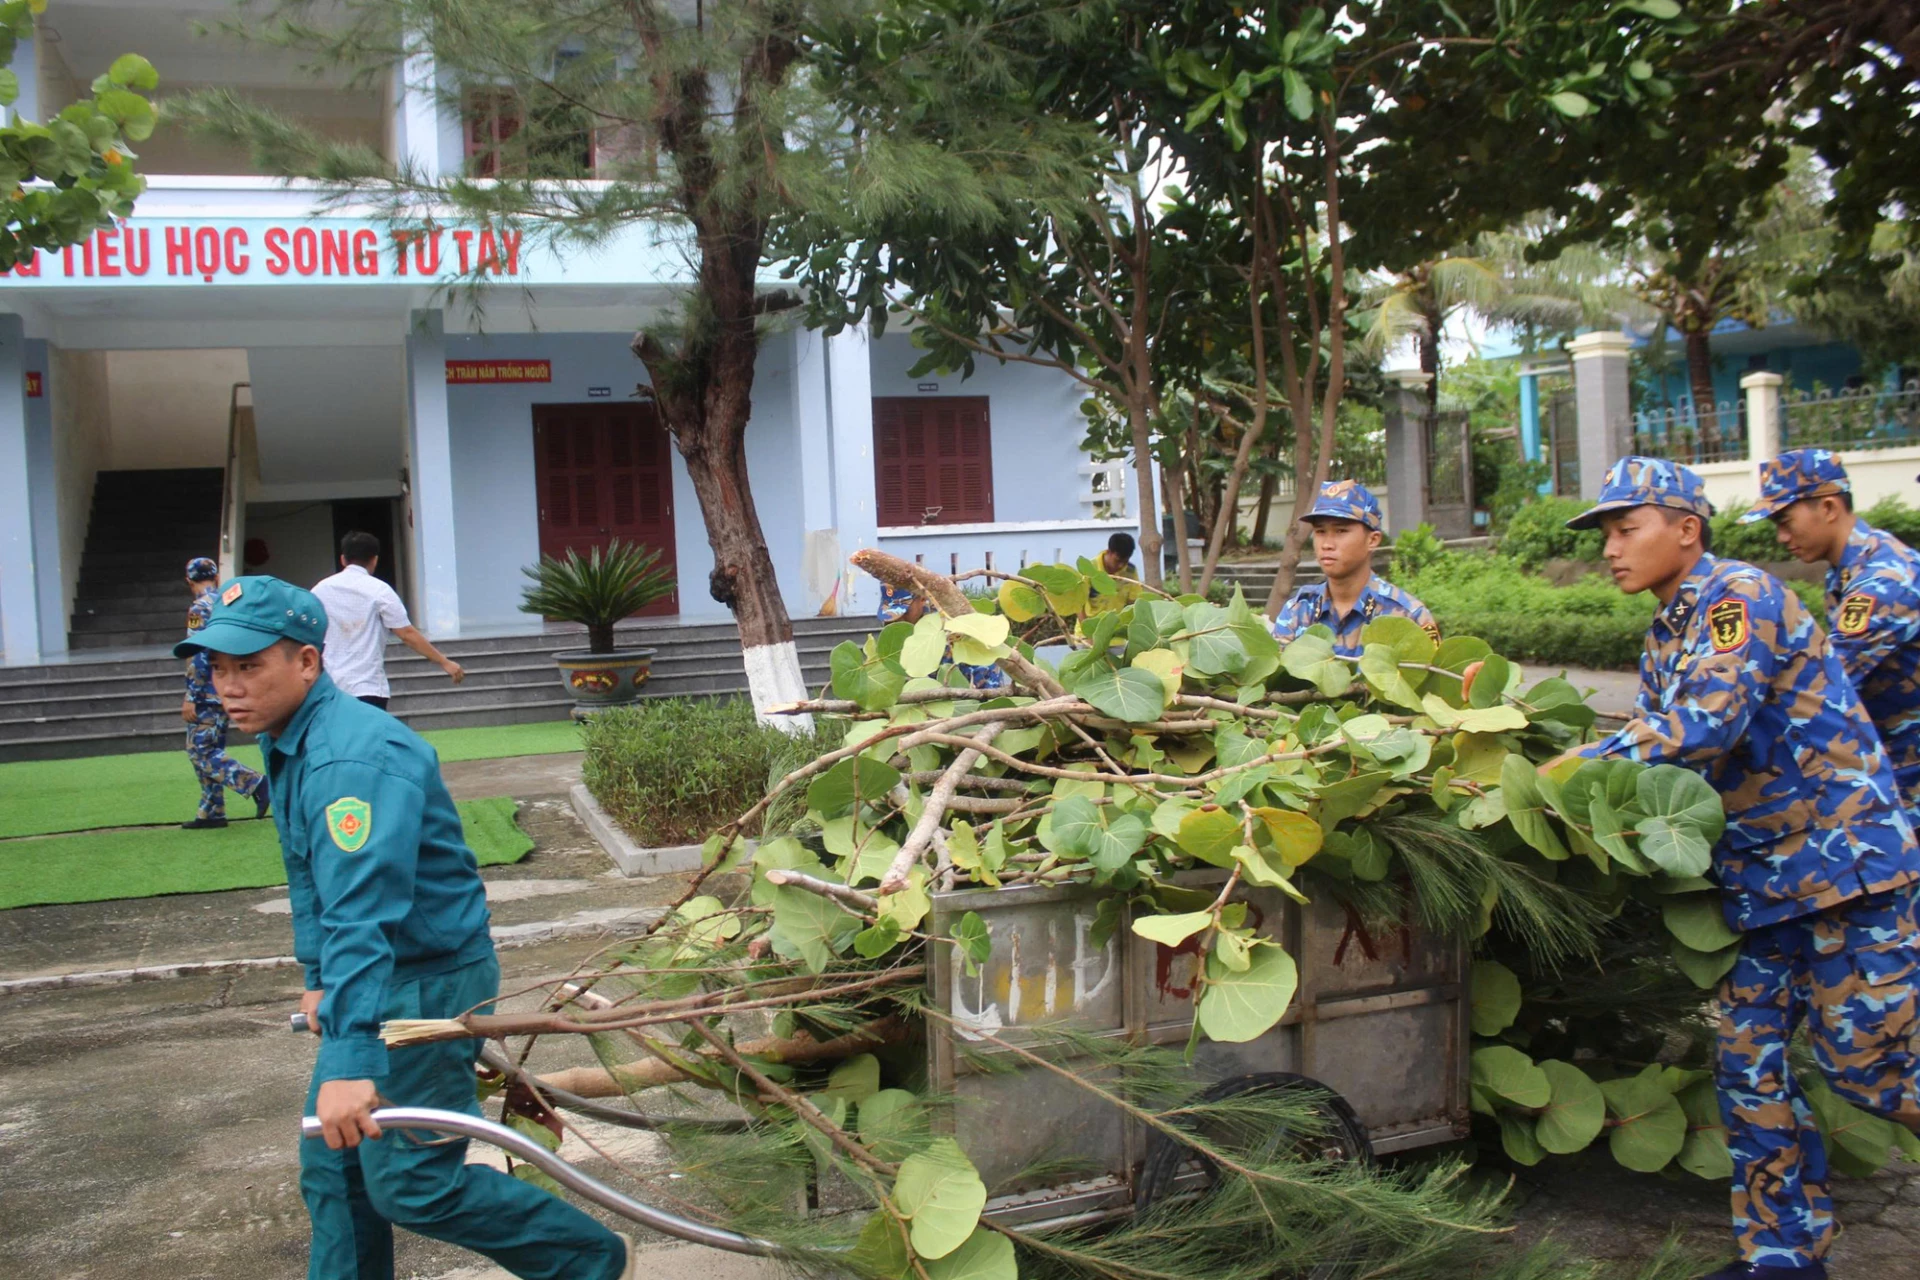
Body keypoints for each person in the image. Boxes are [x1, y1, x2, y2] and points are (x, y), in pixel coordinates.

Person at [174, 575, 633, 1280]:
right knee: (333, 1167)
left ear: (306, 662)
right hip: (379, 973)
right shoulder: (287, 734)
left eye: (249, 667)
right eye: (220, 668)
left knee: (413, 1183)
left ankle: (589, 1264)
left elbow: (364, 913)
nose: (228, 687)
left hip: (421, 981)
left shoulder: (351, 761)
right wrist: (318, 979)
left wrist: (351, 1058)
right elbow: (310, 877)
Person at [1564, 457, 1920, 1280]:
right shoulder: (1668, 629)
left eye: (1627, 529)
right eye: (1605, 535)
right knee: (1747, 1065)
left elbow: (1698, 728)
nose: (1611, 549)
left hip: (1845, 871)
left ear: (1687, 529)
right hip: (1763, 887)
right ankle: (1784, 1257)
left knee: (1874, 1072)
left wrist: (1568, 766)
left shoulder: (1738, 596)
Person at [1741, 448, 1920, 818]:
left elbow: (1819, 682)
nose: (1781, 537)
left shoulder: (1883, 582)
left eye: (1786, 521)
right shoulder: (1848, 570)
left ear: (1828, 507)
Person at [1269, 480, 1439, 654]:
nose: (1327, 544)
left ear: (1372, 540)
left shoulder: (1408, 615)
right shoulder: (1299, 610)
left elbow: (1429, 677)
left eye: (1341, 531)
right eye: (1320, 532)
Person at [312, 531, 465, 711]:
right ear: (374, 559)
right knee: (368, 738)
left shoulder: (319, 591)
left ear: (343, 559)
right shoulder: (380, 590)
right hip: (367, 687)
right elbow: (407, 634)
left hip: (330, 686)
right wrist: (444, 661)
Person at [180, 557, 269, 830]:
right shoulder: (226, 604)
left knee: (200, 751)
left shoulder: (199, 608)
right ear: (217, 578)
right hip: (227, 685)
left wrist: (191, 695)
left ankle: (255, 783)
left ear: (189, 581)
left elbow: (196, 653)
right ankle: (211, 810)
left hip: (205, 691)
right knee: (212, 748)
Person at [876, 580, 1009, 690]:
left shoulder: (951, 627)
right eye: (891, 613)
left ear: (922, 598)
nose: (898, 619)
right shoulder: (894, 627)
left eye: (904, 611)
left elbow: (984, 673)